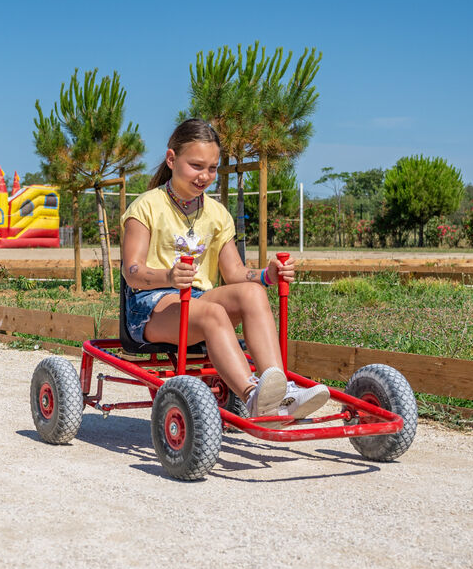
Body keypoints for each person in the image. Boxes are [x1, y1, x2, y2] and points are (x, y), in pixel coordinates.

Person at [121, 119, 329, 421]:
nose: (204, 176)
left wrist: (267, 275)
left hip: (197, 302)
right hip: (151, 306)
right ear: (171, 159)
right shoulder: (146, 207)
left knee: (253, 293)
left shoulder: (217, 214)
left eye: (212, 168)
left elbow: (235, 274)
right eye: (196, 165)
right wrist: (168, 276)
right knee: (214, 312)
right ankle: (251, 395)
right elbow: (132, 271)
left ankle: (280, 387)